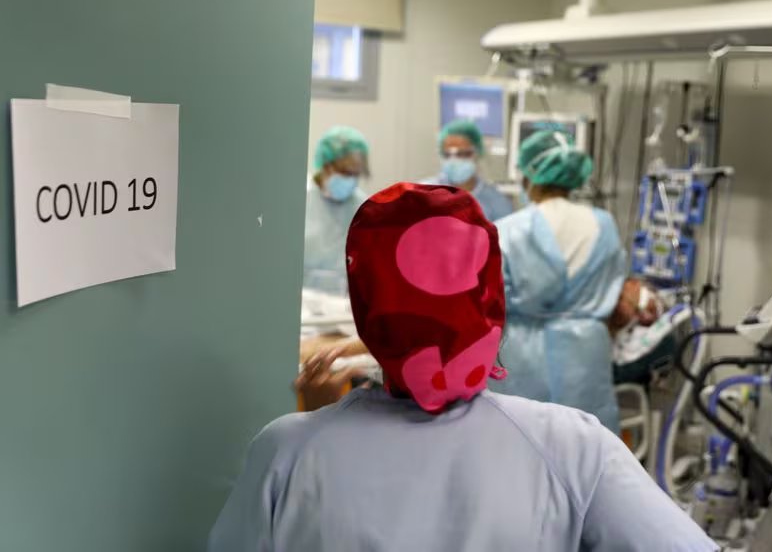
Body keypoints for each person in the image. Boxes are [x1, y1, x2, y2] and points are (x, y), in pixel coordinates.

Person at [209, 183, 716, 552]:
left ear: (365, 305)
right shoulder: (575, 448)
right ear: (491, 298)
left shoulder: (285, 452)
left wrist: (321, 422)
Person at [491, 130, 626, 432]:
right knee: (587, 448)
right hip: (586, 353)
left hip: (524, 354)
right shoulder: (605, 224)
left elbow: (491, 301)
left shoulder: (509, 230)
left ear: (529, 177)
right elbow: (615, 284)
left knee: (522, 445)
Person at [303, 126, 369, 293]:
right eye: (346, 172)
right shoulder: (300, 200)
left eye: (356, 173)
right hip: (301, 302)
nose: (351, 179)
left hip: (345, 307)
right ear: (326, 165)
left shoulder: (363, 207)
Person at [423, 120, 513, 222]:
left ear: (477, 153)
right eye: (448, 155)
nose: (454, 160)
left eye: (463, 154)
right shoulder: (423, 195)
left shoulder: (496, 202)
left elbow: (505, 235)